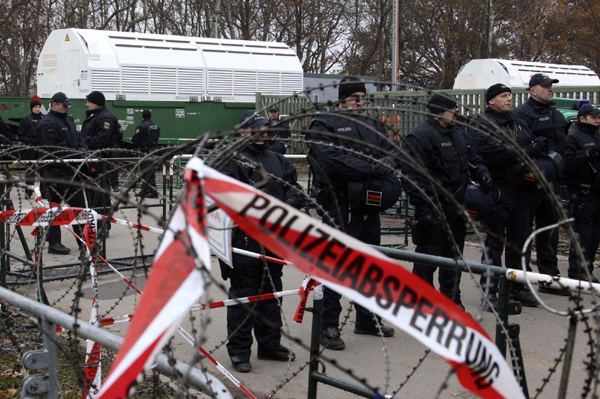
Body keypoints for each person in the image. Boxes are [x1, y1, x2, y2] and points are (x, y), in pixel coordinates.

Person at [307, 76, 399, 351]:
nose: (360, 102)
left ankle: (367, 318)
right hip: (339, 203)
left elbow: (393, 151)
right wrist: (372, 166)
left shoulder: (371, 125)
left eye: (363, 97)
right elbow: (333, 163)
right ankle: (328, 324)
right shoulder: (325, 124)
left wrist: (387, 163)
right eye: (354, 98)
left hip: (368, 204)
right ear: (342, 100)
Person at [218, 110, 304, 373]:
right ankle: (240, 350)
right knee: (244, 294)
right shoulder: (229, 160)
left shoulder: (277, 159)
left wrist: (286, 204)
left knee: (271, 292)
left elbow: (295, 189)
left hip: (274, 238)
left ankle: (269, 344)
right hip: (243, 238)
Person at [401, 93, 492, 310]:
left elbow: (472, 160)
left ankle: (452, 300)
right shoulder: (420, 137)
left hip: (456, 208)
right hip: (432, 208)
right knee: (428, 258)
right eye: (453, 110)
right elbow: (410, 176)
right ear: (440, 112)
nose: (456, 114)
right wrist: (424, 208)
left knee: (453, 258)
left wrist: (483, 174)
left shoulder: (458, 135)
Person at [469, 84, 543, 308]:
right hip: (498, 190)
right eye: (503, 96)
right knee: (494, 243)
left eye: (510, 96)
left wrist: (518, 150)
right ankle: (489, 292)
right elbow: (485, 152)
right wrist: (519, 152)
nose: (509, 99)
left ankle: (516, 288)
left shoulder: (518, 123)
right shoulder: (482, 124)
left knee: (520, 242)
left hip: (521, 190)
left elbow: (536, 145)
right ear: (491, 100)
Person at [513, 74, 568, 280]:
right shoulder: (521, 115)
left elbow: (564, 146)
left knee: (550, 229)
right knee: (523, 231)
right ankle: (521, 277)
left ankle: (549, 275)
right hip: (530, 183)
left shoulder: (557, 115)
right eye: (545, 86)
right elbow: (522, 148)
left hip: (553, 182)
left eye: (551, 86)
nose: (550, 89)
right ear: (533, 91)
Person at [36, 92, 88, 255]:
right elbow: (53, 150)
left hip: (71, 170)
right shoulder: (47, 124)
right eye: (64, 105)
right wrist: (77, 154)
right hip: (54, 172)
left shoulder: (68, 119)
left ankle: (83, 240)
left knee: (78, 208)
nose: (66, 108)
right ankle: (54, 243)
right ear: (54, 105)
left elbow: (77, 139)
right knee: (54, 208)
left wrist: (83, 150)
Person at [564, 104, 600, 284]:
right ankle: (577, 272)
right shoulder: (574, 137)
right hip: (582, 194)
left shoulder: (597, 136)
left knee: (594, 236)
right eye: (594, 117)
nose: (598, 120)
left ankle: (587, 270)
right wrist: (586, 153)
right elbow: (568, 164)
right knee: (583, 235)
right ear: (583, 118)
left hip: (596, 193)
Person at [81, 91, 121, 233]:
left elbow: (102, 139)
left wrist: (83, 142)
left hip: (101, 160)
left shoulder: (106, 118)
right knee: (93, 192)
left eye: (89, 102)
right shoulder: (95, 115)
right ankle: (96, 221)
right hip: (92, 159)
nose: (87, 104)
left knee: (101, 193)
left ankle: (103, 224)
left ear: (96, 103)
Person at [132, 110, 161, 198]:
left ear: (143, 116)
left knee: (146, 171)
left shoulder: (142, 126)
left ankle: (151, 191)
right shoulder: (156, 126)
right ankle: (146, 189)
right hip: (153, 149)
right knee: (150, 170)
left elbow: (135, 139)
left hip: (145, 151)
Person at [18, 100, 44, 198]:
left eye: (39, 107)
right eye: (35, 107)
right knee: (30, 171)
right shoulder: (26, 119)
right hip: (30, 148)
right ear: (32, 108)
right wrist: (29, 141)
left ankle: (44, 192)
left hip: (41, 147)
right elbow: (21, 134)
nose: (37, 109)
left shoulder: (43, 118)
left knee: (43, 170)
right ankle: (29, 192)